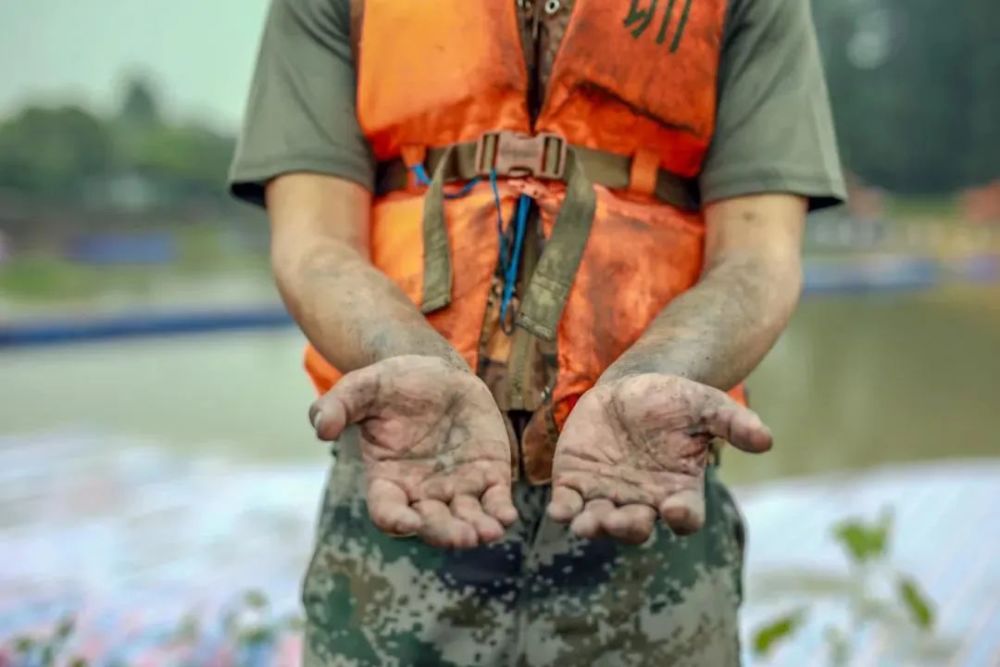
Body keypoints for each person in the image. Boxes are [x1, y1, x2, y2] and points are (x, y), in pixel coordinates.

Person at [229, 0, 845, 664]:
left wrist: (657, 376)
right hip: (405, 480)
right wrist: (409, 361)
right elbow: (313, 242)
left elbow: (758, 256)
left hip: (647, 487)